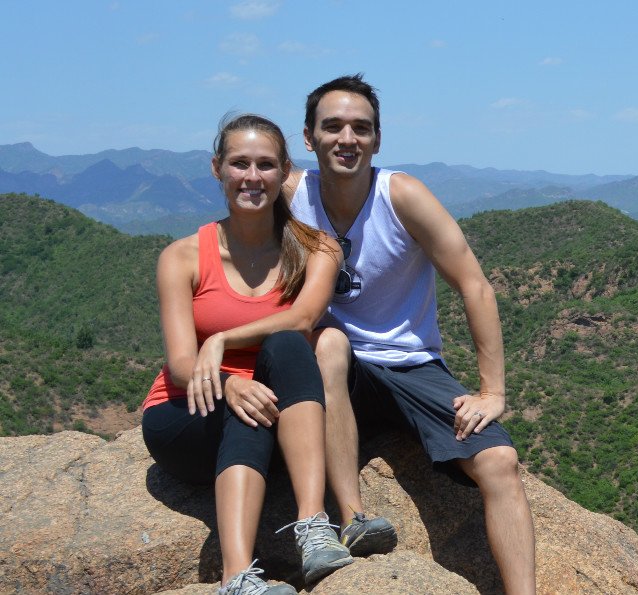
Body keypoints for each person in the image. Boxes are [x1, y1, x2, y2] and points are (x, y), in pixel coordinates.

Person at [286, 74, 537, 594]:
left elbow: (475, 285)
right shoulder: (291, 195)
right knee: (329, 342)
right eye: (332, 126)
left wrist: (492, 391)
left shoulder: (402, 196)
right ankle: (353, 518)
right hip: (337, 369)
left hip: (410, 365)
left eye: (361, 128)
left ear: (378, 138)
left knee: (500, 462)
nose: (346, 139)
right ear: (308, 138)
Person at [144, 113, 351, 595]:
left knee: (287, 345)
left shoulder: (317, 249)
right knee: (248, 404)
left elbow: (301, 319)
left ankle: (313, 527)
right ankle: (237, 579)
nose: (252, 177)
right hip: (186, 413)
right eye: (239, 164)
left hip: (278, 410)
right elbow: (179, 362)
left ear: (284, 172)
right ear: (217, 168)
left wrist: (222, 339)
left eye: (265, 165)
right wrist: (228, 379)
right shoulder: (183, 257)